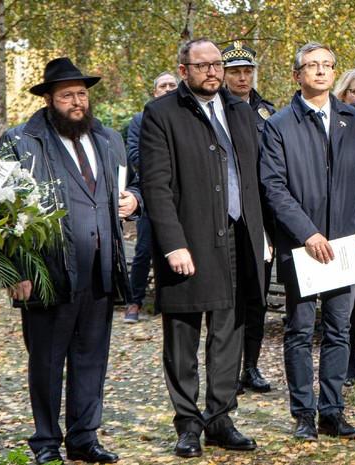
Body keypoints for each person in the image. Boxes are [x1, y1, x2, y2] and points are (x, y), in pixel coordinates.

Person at [0, 57, 141, 464]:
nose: (77, 102)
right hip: (47, 270)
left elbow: (129, 185)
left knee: (91, 356)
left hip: (100, 266)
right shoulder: (20, 141)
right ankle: (46, 442)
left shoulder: (108, 138)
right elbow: (1, 211)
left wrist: (134, 200)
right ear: (48, 100)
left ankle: (84, 437)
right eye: (66, 96)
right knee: (46, 360)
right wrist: (16, 271)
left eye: (81, 94)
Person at [139, 38, 265, 458]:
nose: (213, 72)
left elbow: (254, 177)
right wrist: (173, 244)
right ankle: (188, 424)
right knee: (183, 337)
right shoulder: (161, 113)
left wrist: (261, 234)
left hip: (238, 237)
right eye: (203, 65)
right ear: (184, 70)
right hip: (188, 239)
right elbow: (156, 186)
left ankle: (220, 419)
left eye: (217, 65)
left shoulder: (240, 110)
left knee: (229, 333)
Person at [260, 42, 355, 441]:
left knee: (339, 330)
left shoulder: (352, 119)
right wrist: (307, 233)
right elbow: (273, 187)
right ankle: (303, 415)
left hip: (344, 243)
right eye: (312, 65)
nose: (321, 71)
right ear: (297, 75)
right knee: (298, 330)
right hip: (302, 245)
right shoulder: (279, 124)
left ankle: (332, 411)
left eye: (328, 65)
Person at [221, 41, 276, 394]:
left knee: (258, 294)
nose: (242, 78)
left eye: (247, 71)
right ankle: (226, 370)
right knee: (230, 299)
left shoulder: (267, 111)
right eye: (235, 72)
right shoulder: (216, 109)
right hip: (227, 214)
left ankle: (250, 367)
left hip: (262, 217)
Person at [124, 71, 178, 323]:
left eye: (172, 85)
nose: (167, 89)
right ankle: (134, 302)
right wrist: (167, 168)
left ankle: (170, 302)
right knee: (144, 249)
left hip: (182, 195)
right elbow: (135, 155)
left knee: (179, 247)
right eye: (162, 85)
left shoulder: (187, 118)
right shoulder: (140, 120)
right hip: (150, 194)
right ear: (154, 92)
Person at [332, 67, 355, 387]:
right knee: (348, 301)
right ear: (342, 94)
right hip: (343, 219)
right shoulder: (336, 124)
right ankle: (347, 362)